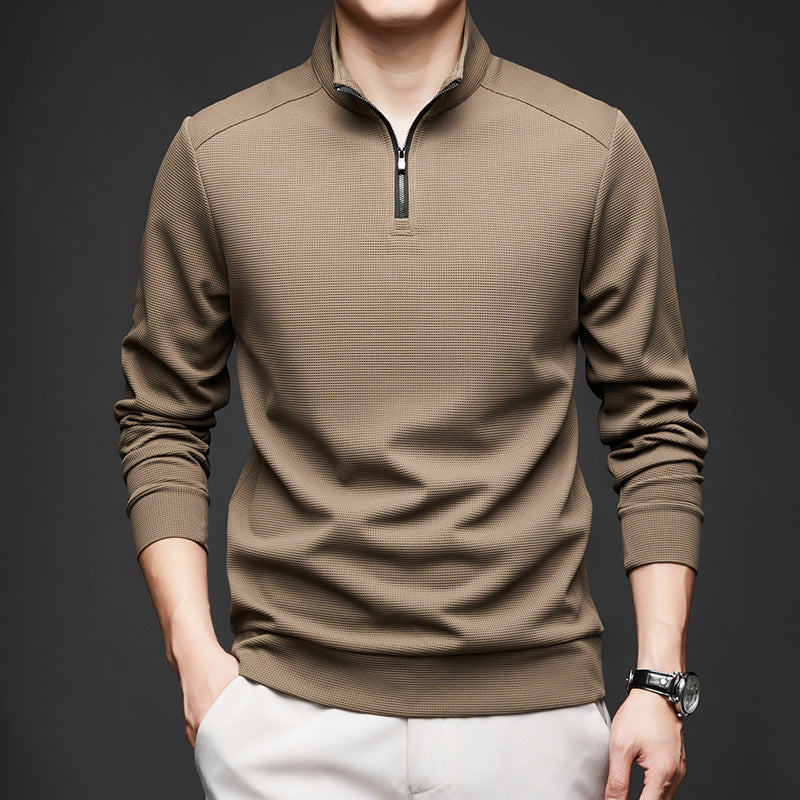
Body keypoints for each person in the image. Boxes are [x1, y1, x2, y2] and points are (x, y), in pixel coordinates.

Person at [112, 1, 709, 798]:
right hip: (284, 723)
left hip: (534, 729)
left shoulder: (591, 149)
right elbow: (161, 414)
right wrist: (194, 657)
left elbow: (654, 423)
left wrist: (660, 680)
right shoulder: (217, 153)